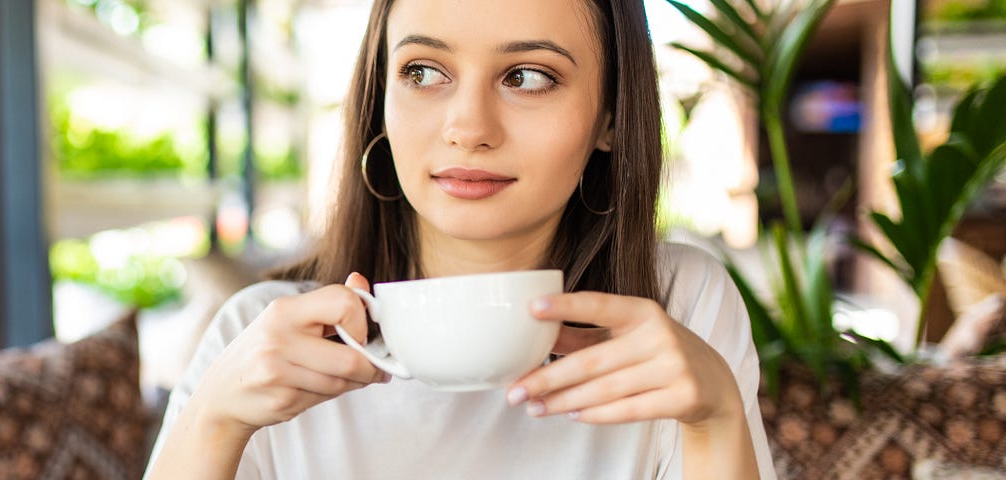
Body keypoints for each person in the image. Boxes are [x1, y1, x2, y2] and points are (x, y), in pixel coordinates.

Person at [144, 0, 775, 478]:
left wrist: (715, 418)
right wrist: (214, 423)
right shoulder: (256, 336)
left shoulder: (679, 302)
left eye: (527, 77)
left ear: (611, 115)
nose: (467, 127)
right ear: (380, 101)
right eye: (422, 71)